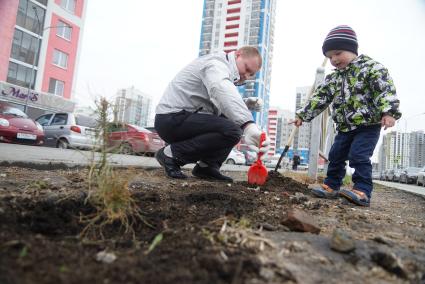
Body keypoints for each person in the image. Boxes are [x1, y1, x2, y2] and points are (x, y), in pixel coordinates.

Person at [293, 25, 401, 206]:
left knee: (359, 155)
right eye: (329, 57)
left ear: (352, 49)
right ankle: (331, 186)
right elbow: (320, 98)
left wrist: (389, 112)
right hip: (344, 127)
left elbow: (385, 90)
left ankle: (362, 190)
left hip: (368, 125)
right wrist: (303, 115)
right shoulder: (333, 79)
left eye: (338, 53)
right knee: (335, 156)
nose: (334, 60)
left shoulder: (371, 68)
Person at [154, 46, 270, 182]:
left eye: (251, 74)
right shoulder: (216, 64)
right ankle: (171, 154)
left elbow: (218, 103)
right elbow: (220, 88)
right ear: (238, 54)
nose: (246, 76)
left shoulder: (223, 71)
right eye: (247, 68)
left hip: (184, 118)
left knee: (233, 125)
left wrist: (245, 104)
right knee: (232, 130)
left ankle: (207, 167)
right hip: (171, 119)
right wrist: (248, 124)